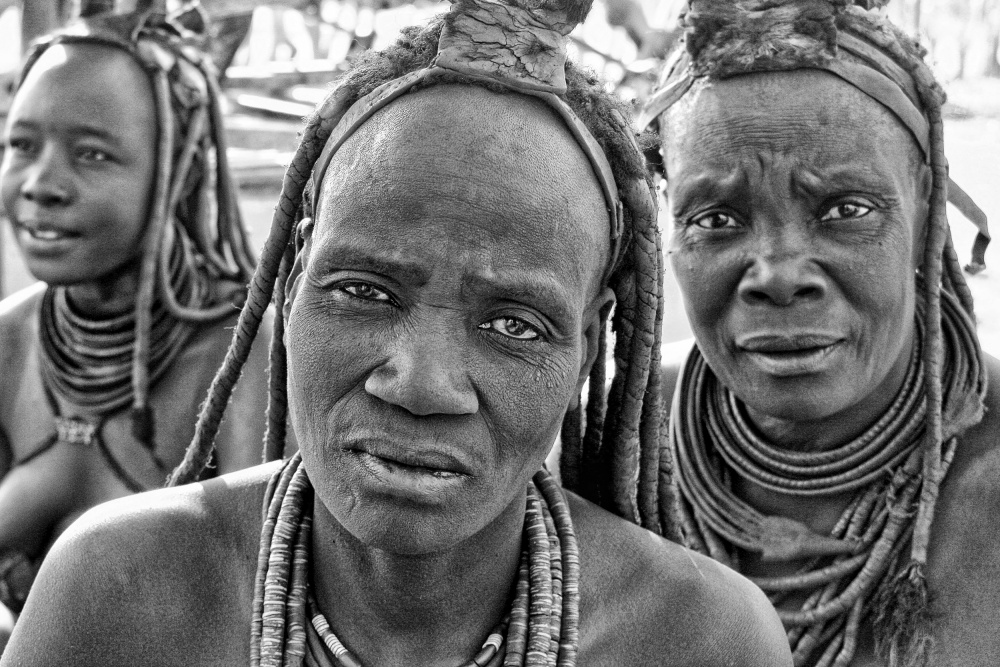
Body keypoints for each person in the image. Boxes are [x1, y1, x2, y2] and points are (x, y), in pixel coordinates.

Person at [2, 0, 792, 665]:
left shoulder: (699, 638)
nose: (419, 382)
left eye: (515, 323)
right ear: (290, 281)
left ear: (588, 344)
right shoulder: (115, 594)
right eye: (365, 291)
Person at [639, 0, 1000, 665]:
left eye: (845, 208)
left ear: (926, 207)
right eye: (717, 219)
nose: (777, 275)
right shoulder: (607, 455)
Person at [0, 4, 272, 628]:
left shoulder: (245, 357)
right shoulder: (11, 341)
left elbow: (260, 614)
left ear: (177, 175)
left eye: (92, 154)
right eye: (21, 145)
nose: (41, 183)